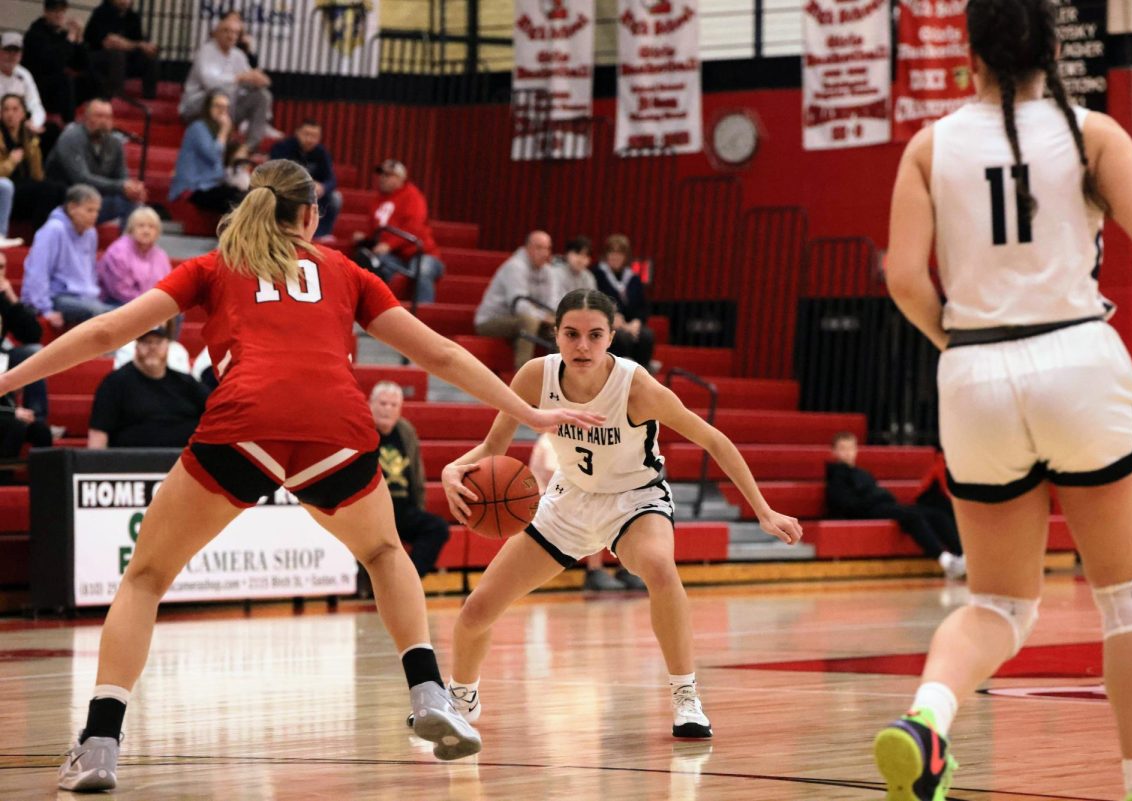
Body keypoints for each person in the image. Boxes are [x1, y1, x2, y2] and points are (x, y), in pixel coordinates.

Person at [0, 158, 602, 791]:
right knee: (383, 551)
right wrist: (528, 410)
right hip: (335, 425)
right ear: (312, 217)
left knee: (147, 576)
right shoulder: (345, 270)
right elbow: (442, 352)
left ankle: (99, 745)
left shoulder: (212, 266)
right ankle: (429, 693)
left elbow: (107, 329)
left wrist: (8, 378)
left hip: (245, 421)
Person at [877, 2, 1132, 799]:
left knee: (998, 603)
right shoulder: (1093, 134)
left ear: (968, 50)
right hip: (1077, 361)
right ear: (1055, 49)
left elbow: (906, 280)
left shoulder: (929, 145)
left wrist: (961, 347)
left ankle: (927, 717)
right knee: (1128, 597)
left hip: (976, 375)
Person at [442, 288, 803, 739]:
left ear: (611, 337)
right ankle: (461, 697)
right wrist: (454, 467)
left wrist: (764, 511)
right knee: (477, 610)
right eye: (571, 334)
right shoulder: (535, 376)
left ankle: (686, 697)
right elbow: (493, 449)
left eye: (594, 335)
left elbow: (714, 440)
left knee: (657, 565)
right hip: (568, 499)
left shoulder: (637, 388)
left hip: (635, 498)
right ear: (555, 335)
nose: (582, 346)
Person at [825, 431, 965, 578]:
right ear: (834, 452)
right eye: (843, 449)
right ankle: (946, 561)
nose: (847, 453)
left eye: (851, 448)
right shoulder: (835, 477)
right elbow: (848, 505)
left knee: (934, 513)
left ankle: (963, 555)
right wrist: (878, 498)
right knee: (912, 516)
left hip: (882, 505)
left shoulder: (862, 473)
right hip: (868, 510)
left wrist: (882, 497)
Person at [529, 431, 645, 591]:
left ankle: (626, 567)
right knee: (594, 504)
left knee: (623, 504)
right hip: (548, 498)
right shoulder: (550, 440)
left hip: (568, 494)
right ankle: (594, 570)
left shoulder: (574, 438)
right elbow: (555, 480)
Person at [369, 381, 449, 579]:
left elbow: (416, 472)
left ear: (400, 409)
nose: (387, 409)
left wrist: (419, 505)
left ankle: (406, 581)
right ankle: (371, 586)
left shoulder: (405, 431)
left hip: (403, 510)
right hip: (371, 511)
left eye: (393, 405)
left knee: (437, 528)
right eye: (383, 403)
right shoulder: (363, 429)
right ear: (370, 404)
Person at [87, 326, 208, 449]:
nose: (152, 347)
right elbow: (99, 432)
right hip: (133, 462)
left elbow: (214, 411)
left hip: (183, 461)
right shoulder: (114, 383)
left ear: (167, 346)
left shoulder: (186, 382)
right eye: (146, 342)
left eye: (158, 342)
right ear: (136, 346)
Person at [20, 183, 116, 329]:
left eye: (97, 211)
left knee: (117, 314)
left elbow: (90, 272)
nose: (95, 216)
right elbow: (37, 272)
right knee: (97, 314)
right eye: (89, 210)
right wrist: (45, 309)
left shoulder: (91, 233)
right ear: (72, 208)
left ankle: (112, 353)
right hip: (57, 296)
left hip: (85, 296)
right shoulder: (53, 229)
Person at [179, 12, 273, 151]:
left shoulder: (238, 55)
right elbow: (210, 83)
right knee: (221, 94)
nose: (231, 36)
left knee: (262, 96)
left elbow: (248, 79)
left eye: (236, 33)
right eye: (226, 31)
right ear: (216, 32)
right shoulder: (206, 51)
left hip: (230, 108)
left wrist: (260, 80)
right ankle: (220, 144)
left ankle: (248, 148)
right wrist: (240, 77)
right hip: (197, 107)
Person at [45, 98, 146, 225]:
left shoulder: (115, 143)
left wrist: (132, 189)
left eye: (108, 117)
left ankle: (127, 244)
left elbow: (122, 177)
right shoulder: (71, 137)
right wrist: (121, 187)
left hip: (96, 201)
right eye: (99, 116)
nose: (104, 121)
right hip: (68, 202)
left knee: (132, 200)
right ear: (85, 117)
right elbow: (81, 178)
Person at [357, 159, 443, 302]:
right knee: (372, 264)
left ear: (400, 178)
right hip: (394, 256)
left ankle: (423, 318)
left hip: (421, 253)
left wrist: (389, 245)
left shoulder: (413, 196)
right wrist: (365, 238)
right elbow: (378, 231)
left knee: (422, 271)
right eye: (381, 174)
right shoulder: (377, 200)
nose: (382, 178)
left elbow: (414, 228)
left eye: (388, 175)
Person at [474, 230, 559, 369]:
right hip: (492, 320)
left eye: (548, 248)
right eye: (539, 248)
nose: (545, 253)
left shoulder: (548, 271)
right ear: (528, 248)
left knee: (561, 326)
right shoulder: (515, 267)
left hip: (523, 319)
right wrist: (545, 316)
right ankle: (522, 376)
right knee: (529, 321)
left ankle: (561, 375)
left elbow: (552, 302)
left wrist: (554, 318)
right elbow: (519, 306)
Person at [167, 90, 244, 212]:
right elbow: (212, 155)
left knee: (245, 197)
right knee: (235, 200)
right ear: (208, 107)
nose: (222, 111)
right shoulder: (198, 128)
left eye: (225, 107)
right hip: (194, 187)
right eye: (218, 106)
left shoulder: (218, 130)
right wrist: (224, 131)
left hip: (213, 185)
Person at [21, 0, 89, 133]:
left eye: (62, 11)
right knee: (65, 79)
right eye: (55, 11)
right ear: (46, 12)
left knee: (91, 79)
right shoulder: (35, 34)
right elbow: (52, 62)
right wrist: (70, 39)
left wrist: (79, 39)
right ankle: (69, 123)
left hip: (55, 86)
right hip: (36, 84)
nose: (59, 15)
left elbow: (82, 64)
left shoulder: (61, 35)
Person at [0, 93, 64, 232]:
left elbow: (37, 175)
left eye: (15, 109)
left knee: (60, 190)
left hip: (25, 189)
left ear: (23, 114)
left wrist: (34, 148)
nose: (10, 114)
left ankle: (53, 235)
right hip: (6, 190)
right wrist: (10, 162)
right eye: (6, 109)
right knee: (46, 190)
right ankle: (41, 236)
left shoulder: (28, 138)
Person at [269, 119, 341, 240]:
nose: (310, 139)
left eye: (314, 136)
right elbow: (274, 173)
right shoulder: (282, 148)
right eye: (306, 134)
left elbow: (331, 179)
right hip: (287, 190)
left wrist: (323, 187)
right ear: (297, 133)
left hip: (311, 193)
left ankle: (322, 234)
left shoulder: (322, 153)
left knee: (336, 198)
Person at [0, 250, 49, 425]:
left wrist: (13, 299)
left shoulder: (4, 299)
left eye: (2, 267)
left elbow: (33, 335)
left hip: (2, 355)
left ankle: (37, 419)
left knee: (34, 352)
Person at [592, 234, 655, 369]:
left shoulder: (633, 279)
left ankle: (643, 373)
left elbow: (642, 307)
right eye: (612, 252)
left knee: (646, 336)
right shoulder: (597, 274)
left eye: (619, 253)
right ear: (606, 254)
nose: (615, 256)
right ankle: (619, 375)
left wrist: (637, 322)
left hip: (630, 323)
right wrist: (612, 319)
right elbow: (596, 301)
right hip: (609, 322)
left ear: (626, 256)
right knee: (621, 337)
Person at [83, 0, 159, 101]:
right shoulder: (102, 13)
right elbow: (111, 42)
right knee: (117, 54)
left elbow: (139, 41)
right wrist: (137, 45)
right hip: (98, 56)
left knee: (149, 56)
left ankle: (149, 97)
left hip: (125, 59)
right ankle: (116, 95)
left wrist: (146, 47)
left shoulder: (133, 17)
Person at [97, 206, 171, 305]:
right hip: (118, 302)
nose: (146, 231)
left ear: (157, 232)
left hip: (149, 304)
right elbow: (119, 291)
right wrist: (149, 304)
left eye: (151, 227)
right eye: (141, 226)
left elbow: (167, 287)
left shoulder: (161, 256)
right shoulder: (118, 251)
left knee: (176, 314)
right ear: (131, 229)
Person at [0, 33, 46, 136]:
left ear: (21, 55)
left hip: (19, 127)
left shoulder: (24, 74)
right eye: (7, 51)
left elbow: (35, 104)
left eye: (16, 52)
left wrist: (34, 123)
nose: (11, 56)